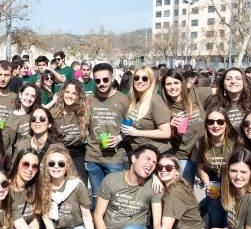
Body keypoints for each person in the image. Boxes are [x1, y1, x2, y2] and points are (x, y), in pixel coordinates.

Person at [85, 63, 130, 197]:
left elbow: (132, 126)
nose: (102, 83)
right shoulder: (89, 100)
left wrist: (119, 138)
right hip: (92, 157)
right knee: (96, 196)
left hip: (114, 158)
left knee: (115, 196)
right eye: (98, 80)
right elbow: (84, 125)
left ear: (112, 78)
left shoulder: (124, 100)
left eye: (105, 79)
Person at [161, 70, 211, 184]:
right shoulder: (163, 106)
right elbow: (162, 134)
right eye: (168, 84)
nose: (173, 87)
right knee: (186, 191)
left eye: (176, 83)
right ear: (164, 87)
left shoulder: (194, 93)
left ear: (182, 84)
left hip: (204, 151)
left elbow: (219, 90)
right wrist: (170, 126)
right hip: (183, 155)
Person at [196, 107, 238, 229]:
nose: (215, 125)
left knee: (231, 219)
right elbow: (200, 165)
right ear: (206, 124)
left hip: (233, 185)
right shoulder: (201, 143)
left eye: (220, 122)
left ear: (226, 124)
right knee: (214, 213)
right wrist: (207, 183)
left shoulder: (235, 142)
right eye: (211, 122)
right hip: (215, 184)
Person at [121, 66, 172, 156]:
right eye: (136, 78)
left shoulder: (155, 100)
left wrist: (137, 132)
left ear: (150, 82)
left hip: (156, 153)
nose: (140, 81)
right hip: (139, 152)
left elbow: (166, 132)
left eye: (144, 78)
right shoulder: (134, 100)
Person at [7, 149, 47, 229]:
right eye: (26, 164)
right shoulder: (5, 189)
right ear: (17, 165)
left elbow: (33, 216)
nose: (30, 169)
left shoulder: (34, 188)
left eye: (34, 166)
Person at [51, 79, 90, 181]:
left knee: (81, 183)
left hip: (78, 153)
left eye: (74, 93)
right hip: (59, 152)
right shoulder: (54, 113)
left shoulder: (84, 112)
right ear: (62, 92)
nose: (70, 95)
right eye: (67, 92)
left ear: (78, 96)